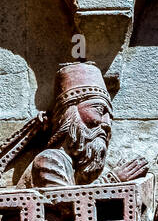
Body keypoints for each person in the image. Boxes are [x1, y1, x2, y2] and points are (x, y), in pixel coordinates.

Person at [17, 62, 147, 189]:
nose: (106, 123)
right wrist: (112, 180)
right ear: (70, 113)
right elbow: (65, 203)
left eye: (110, 116)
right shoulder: (50, 160)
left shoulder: (84, 169)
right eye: (99, 110)